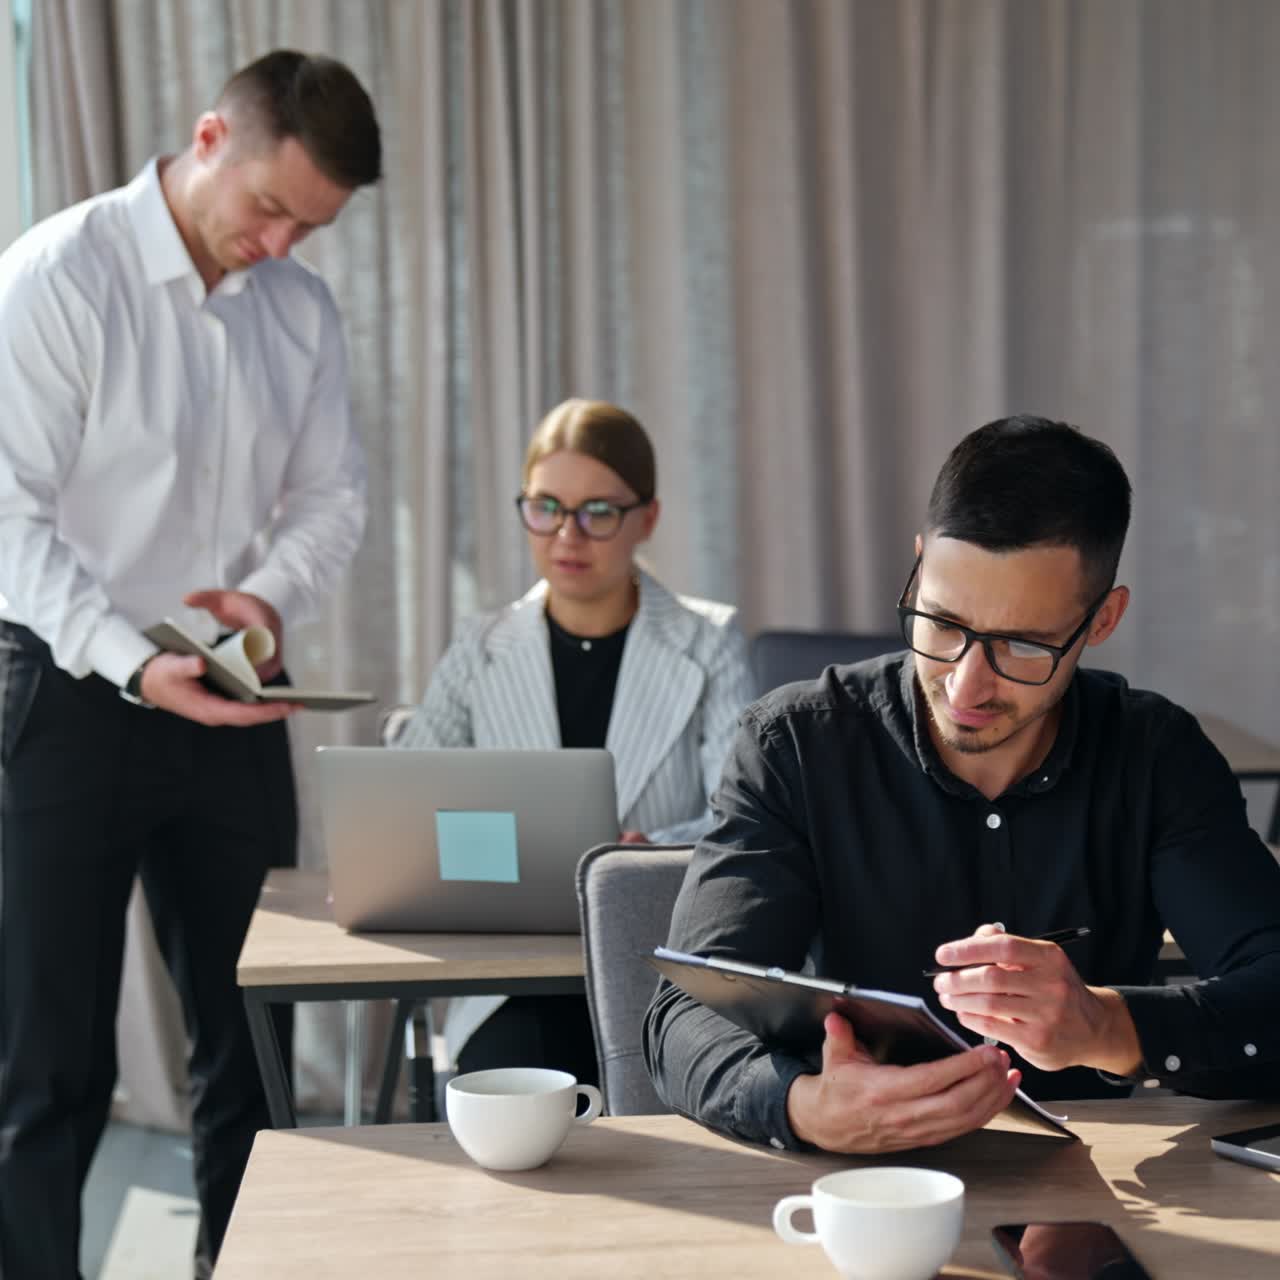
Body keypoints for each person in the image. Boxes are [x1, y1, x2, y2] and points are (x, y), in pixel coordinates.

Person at [645, 415, 1280, 1155]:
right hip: (858, 1199)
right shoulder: (795, 744)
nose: (966, 683)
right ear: (918, 567)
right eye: (943, 622)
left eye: (1022, 644)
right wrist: (800, 1105)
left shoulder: (1157, 755)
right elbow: (680, 1016)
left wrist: (1108, 1028)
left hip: (1093, 1202)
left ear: (1102, 619)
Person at [0, 50, 380, 1277]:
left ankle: (242, 1265)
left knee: (250, 1034)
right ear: (209, 136)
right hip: (61, 689)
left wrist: (263, 602)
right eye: (268, 207)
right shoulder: (59, 276)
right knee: (47, 1058)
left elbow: (332, 499)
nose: (278, 243)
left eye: (308, 227)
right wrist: (124, 657)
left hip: (228, 689)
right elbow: (7, 516)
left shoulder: (299, 309)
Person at [396, 397, 755, 1081]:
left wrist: (646, 857)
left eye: (598, 512)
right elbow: (408, 805)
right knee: (519, 1105)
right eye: (546, 507)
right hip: (513, 976)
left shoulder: (709, 644)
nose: (568, 535)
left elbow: (740, 817)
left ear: (646, 517)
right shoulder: (480, 647)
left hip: (656, 964)